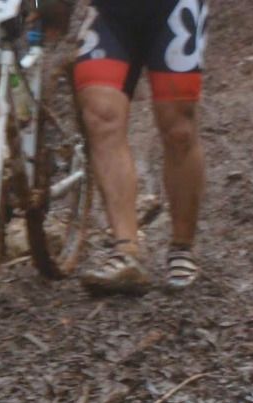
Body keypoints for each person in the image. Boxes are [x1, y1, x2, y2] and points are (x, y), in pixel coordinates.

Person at [72, 0, 209, 294]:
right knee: (100, 116)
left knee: (179, 130)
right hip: (109, 12)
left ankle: (182, 248)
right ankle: (125, 251)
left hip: (173, 9)